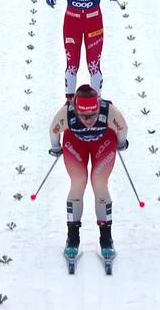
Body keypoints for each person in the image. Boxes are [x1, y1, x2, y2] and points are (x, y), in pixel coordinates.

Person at [48, 84, 129, 259]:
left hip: (104, 144)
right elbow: (54, 130)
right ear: (76, 110)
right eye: (83, 116)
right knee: (78, 181)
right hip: (75, 145)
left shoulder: (108, 111)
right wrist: (55, 147)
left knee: (99, 182)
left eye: (93, 114)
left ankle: (106, 239)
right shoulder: (67, 113)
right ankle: (72, 238)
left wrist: (121, 142)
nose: (89, 120)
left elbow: (122, 127)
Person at [40, 0, 126, 101]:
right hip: (72, 23)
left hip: (94, 24)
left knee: (93, 65)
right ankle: (69, 103)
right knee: (72, 65)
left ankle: (96, 102)